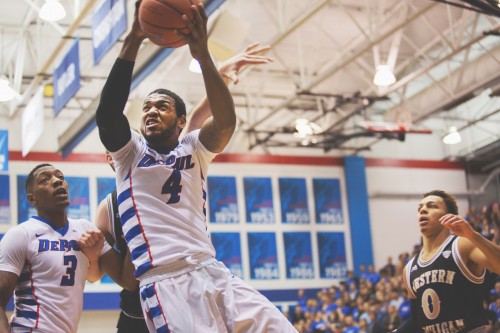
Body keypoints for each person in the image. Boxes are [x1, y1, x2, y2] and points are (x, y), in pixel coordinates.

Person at [95, 1, 296, 332]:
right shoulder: (129, 154)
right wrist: (133, 40)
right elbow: (107, 115)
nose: (151, 111)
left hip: (210, 269)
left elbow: (226, 122)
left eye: (162, 106)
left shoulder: (194, 149)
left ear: (182, 121)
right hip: (164, 281)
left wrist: (204, 57)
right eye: (146, 107)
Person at [0, 164, 137, 333]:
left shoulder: (85, 229)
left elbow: (128, 282)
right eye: (45, 179)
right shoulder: (21, 235)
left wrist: (137, 225)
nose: (57, 181)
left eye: (60, 177)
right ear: (32, 199)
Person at [395, 190, 500, 332]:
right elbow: (416, 321)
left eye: (432, 206)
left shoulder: (462, 245)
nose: (423, 210)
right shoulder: (409, 269)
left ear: (449, 216)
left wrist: (473, 235)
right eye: (420, 208)